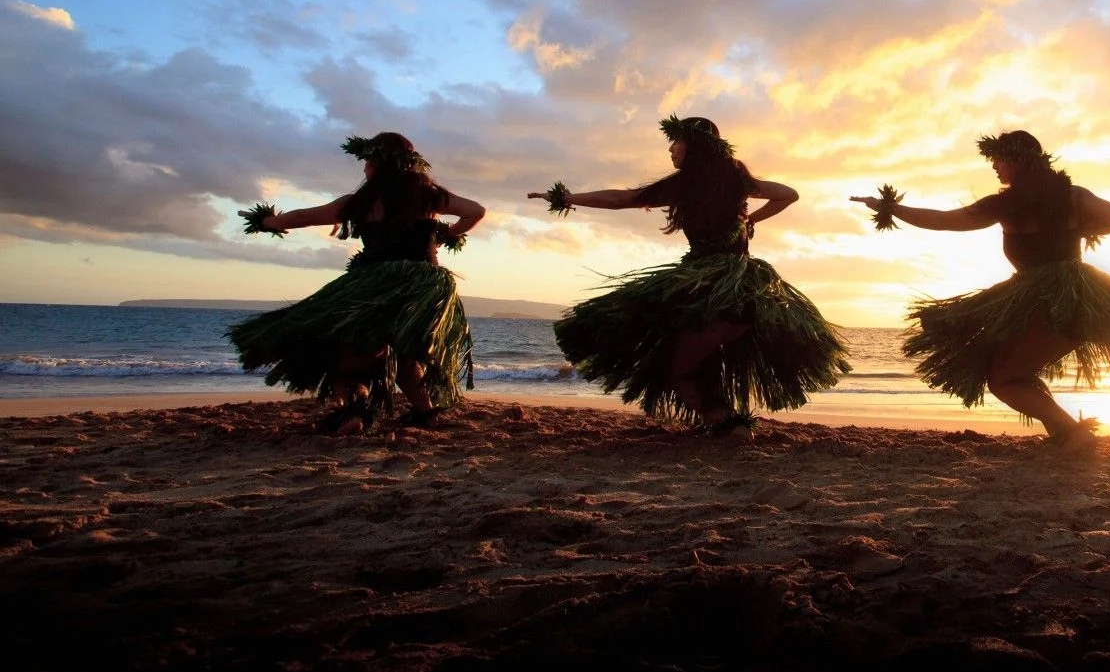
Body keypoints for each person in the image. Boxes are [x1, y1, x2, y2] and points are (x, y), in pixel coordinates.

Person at [852, 130, 1110, 449]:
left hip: (1049, 301)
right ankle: (1066, 434)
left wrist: (888, 207)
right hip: (1078, 295)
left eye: (999, 160)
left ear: (1019, 161)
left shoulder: (1006, 205)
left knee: (1005, 379)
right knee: (1009, 372)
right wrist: (1078, 229)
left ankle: (1071, 434)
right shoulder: (1072, 195)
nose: (995, 168)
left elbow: (944, 221)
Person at [529, 116, 849, 434]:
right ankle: (727, 424)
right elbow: (788, 194)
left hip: (708, 298)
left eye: (676, 142)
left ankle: (730, 427)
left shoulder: (684, 185)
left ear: (695, 145)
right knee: (700, 366)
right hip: (748, 295)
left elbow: (621, 199)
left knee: (674, 370)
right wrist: (752, 221)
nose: (670, 149)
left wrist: (565, 198)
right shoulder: (737, 177)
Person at [230, 132, 484, 433]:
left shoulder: (361, 202)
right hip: (424, 287)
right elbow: (476, 211)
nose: (364, 168)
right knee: (402, 354)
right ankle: (426, 415)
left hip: (375, 284)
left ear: (379, 163)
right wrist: (450, 232)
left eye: (368, 161)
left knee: (353, 345)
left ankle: (353, 411)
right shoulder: (430, 196)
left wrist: (266, 222)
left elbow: (302, 217)